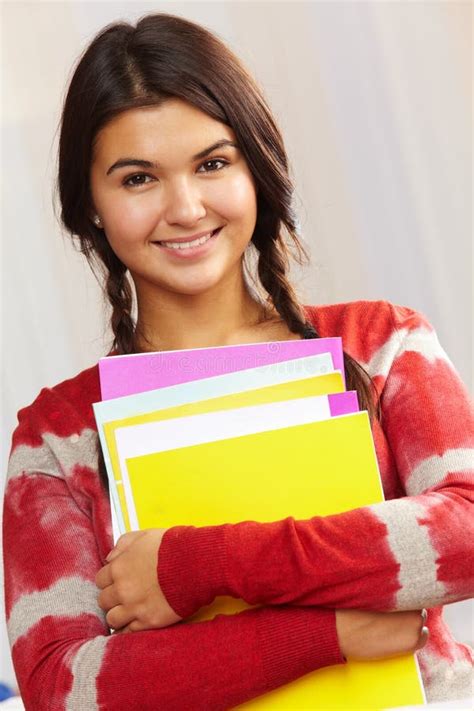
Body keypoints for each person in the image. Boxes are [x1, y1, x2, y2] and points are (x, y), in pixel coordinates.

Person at [3, 12, 472, 711]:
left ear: (256, 166)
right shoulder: (55, 438)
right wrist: (328, 633)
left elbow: (463, 533)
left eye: (213, 163)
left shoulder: (384, 342)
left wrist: (192, 564)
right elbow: (60, 684)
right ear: (91, 205)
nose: (185, 207)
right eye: (138, 179)